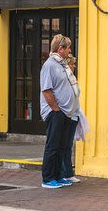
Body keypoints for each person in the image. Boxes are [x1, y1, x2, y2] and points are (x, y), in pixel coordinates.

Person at [40, 34, 78, 189]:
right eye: (68, 47)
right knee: (53, 145)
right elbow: (47, 90)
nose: (69, 50)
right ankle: (48, 179)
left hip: (65, 112)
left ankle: (58, 176)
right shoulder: (50, 65)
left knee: (62, 146)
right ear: (60, 48)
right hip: (56, 112)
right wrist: (56, 109)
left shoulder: (62, 64)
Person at [59, 54, 87, 184]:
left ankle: (68, 173)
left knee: (68, 145)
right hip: (67, 114)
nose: (74, 66)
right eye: (72, 64)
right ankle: (64, 173)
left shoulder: (72, 78)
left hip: (74, 115)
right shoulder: (64, 79)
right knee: (64, 145)